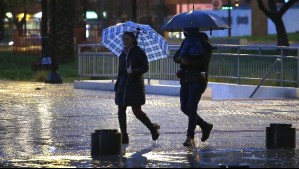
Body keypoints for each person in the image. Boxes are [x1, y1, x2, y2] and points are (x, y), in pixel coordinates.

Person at [114, 31, 160, 144]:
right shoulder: (122, 54)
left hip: (135, 86)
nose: (125, 41)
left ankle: (152, 129)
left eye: (127, 39)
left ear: (133, 40)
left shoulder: (139, 52)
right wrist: (117, 84)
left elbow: (145, 67)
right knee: (121, 109)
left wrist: (134, 71)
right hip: (123, 85)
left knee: (137, 111)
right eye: (123, 39)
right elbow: (120, 71)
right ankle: (124, 135)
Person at [173, 27, 214, 147]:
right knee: (184, 108)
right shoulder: (186, 42)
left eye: (187, 30)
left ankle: (190, 137)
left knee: (191, 108)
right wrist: (181, 59)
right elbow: (176, 57)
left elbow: (204, 62)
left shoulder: (204, 45)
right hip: (185, 79)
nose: (185, 32)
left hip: (197, 80)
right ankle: (204, 125)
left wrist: (189, 62)